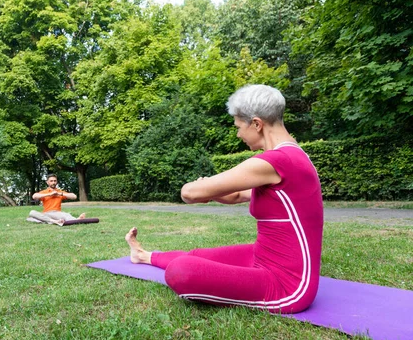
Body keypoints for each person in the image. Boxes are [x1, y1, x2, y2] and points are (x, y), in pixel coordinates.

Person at [125, 85, 323, 314]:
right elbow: (238, 194)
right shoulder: (291, 157)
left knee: (182, 270)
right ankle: (142, 255)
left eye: (239, 127)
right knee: (197, 256)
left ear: (257, 124)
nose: (238, 134)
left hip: (288, 285)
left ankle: (147, 257)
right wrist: (211, 189)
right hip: (262, 254)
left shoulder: (278, 160)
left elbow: (189, 193)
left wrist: (203, 187)